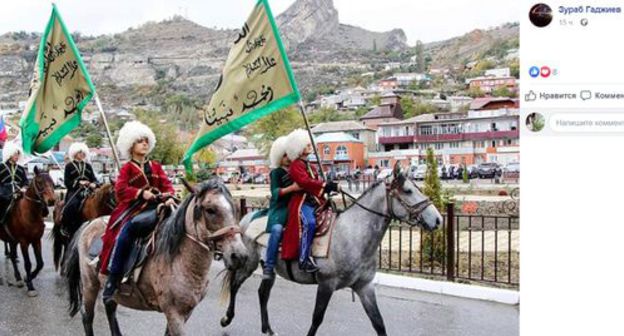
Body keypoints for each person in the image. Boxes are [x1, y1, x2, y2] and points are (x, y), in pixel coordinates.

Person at [99, 121, 175, 306]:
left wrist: (170, 196)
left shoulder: (156, 166)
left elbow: (166, 184)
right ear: (131, 145)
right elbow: (120, 190)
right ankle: (113, 278)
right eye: (140, 141)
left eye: (146, 140)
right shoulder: (127, 168)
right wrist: (141, 193)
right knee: (125, 233)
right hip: (134, 209)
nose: (144, 143)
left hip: (158, 207)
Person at [283, 129, 338, 273]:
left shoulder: (311, 165)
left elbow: (316, 182)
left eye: (309, 143)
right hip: (302, 202)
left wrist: (328, 187)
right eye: (307, 144)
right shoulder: (296, 165)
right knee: (309, 223)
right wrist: (324, 185)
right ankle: (303, 259)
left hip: (315, 200)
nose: (310, 146)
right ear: (298, 148)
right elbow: (304, 182)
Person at [262, 136, 301, 279]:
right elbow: (275, 193)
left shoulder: (297, 169)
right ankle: (269, 265)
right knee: (277, 230)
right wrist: (292, 188)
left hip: (295, 206)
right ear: (279, 156)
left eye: (289, 154)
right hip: (279, 209)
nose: (287, 158)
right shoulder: (276, 173)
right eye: (284, 155)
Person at [60, 142, 99, 235]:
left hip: (88, 190)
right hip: (74, 191)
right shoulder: (69, 166)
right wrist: (78, 183)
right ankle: (67, 227)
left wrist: (94, 184)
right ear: (75, 154)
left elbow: (94, 178)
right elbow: (67, 182)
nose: (82, 154)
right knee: (71, 205)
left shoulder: (88, 166)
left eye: (83, 153)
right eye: (80, 153)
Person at [0, 141, 28, 226]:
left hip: (19, 193)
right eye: (15, 154)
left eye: (18, 154)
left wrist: (24, 188)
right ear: (10, 154)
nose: (17, 156)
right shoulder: (1, 167)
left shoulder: (20, 168)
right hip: (5, 194)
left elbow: (25, 181)